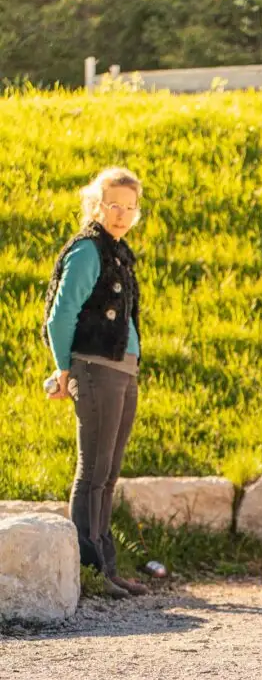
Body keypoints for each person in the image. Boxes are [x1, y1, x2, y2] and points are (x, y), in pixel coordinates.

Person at [43, 166, 147, 599]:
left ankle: (107, 567)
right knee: (94, 471)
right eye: (113, 205)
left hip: (122, 369)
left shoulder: (119, 251)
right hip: (95, 367)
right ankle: (89, 571)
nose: (121, 214)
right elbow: (61, 314)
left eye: (129, 207)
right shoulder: (88, 250)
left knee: (110, 472)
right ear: (95, 205)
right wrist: (63, 370)